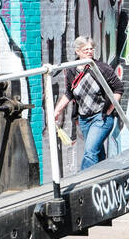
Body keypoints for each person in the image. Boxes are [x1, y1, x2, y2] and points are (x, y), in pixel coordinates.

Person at [53, 36, 125, 169]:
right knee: (97, 151)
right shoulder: (72, 70)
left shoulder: (101, 68)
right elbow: (69, 93)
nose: (89, 52)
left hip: (101, 118)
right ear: (78, 52)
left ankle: (84, 178)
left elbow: (119, 88)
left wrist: (109, 109)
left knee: (90, 152)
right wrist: (57, 111)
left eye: (91, 49)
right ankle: (103, 174)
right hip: (84, 120)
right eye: (85, 50)